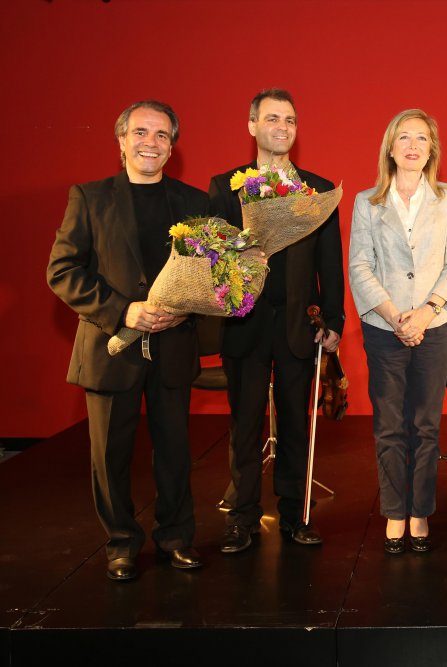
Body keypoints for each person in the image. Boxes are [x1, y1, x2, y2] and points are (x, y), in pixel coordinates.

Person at [47, 100, 208, 581]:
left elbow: (211, 275)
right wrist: (124, 310)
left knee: (175, 452)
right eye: (140, 132)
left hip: (172, 346)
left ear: (172, 146)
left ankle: (176, 538)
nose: (150, 143)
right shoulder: (90, 197)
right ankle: (120, 543)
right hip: (109, 348)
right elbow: (62, 270)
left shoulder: (195, 202)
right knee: (110, 456)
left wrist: (188, 306)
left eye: (161, 135)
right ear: (121, 140)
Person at [208, 88, 344, 553]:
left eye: (289, 120)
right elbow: (213, 260)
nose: (282, 127)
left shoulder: (318, 191)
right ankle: (242, 517)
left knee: (295, 427)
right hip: (244, 326)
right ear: (252, 125)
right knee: (244, 426)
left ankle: (295, 515)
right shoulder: (225, 187)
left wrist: (334, 319)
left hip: (298, 327)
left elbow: (330, 263)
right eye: (272, 118)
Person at [349, 109, 447, 554]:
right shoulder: (367, 201)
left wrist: (425, 313)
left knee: (426, 425)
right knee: (389, 426)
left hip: (435, 327)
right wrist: (396, 315)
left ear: (432, 148)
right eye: (404, 137)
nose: (413, 145)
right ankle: (395, 512)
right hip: (384, 327)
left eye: (422, 137)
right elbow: (360, 265)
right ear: (390, 147)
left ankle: (420, 511)